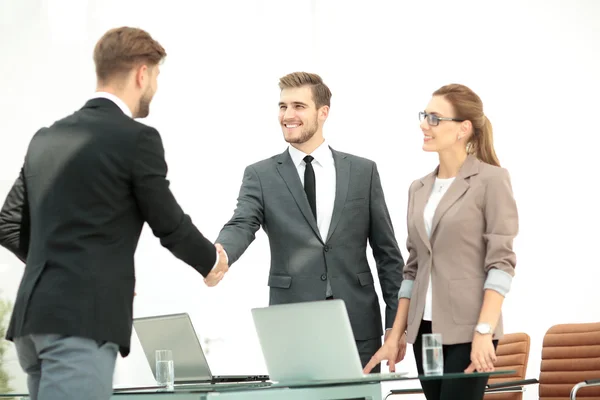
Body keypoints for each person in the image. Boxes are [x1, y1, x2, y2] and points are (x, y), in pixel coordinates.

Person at [0, 27, 227, 400]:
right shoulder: (136, 139)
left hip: (32, 323)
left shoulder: (46, 137)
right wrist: (210, 261)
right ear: (141, 73)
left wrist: (68, 267)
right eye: (155, 76)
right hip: (79, 324)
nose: (154, 86)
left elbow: (7, 224)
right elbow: (168, 223)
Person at [213, 72, 406, 372]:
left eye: (298, 106)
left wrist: (395, 326)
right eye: (282, 106)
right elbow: (242, 222)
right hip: (293, 325)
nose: (287, 115)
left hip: (358, 327)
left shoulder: (362, 172)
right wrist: (221, 254)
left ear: (323, 112)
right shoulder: (260, 175)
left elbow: (388, 256)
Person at [364, 83, 518, 400]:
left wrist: (484, 332)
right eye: (425, 115)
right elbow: (413, 269)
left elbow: (501, 265)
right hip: (427, 337)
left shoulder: (491, 180)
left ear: (463, 128)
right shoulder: (418, 189)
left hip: (469, 331)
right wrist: (396, 334)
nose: (424, 124)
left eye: (434, 118)